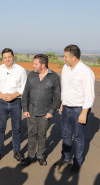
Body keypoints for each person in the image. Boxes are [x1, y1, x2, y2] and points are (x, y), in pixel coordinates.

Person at [54, 45, 95, 174]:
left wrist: (84, 112)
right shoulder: (66, 68)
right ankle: (65, 158)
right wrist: (62, 103)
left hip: (79, 110)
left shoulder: (85, 71)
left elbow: (89, 94)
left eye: (66, 56)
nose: (63, 58)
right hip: (66, 107)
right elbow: (65, 87)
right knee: (65, 135)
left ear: (74, 57)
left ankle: (77, 162)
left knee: (78, 137)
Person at [21, 54, 61, 166]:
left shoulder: (54, 77)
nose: (33, 65)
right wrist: (25, 108)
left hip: (45, 113)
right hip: (31, 111)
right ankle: (31, 156)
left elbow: (57, 97)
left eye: (35, 64)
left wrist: (52, 111)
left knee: (42, 135)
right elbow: (26, 93)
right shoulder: (31, 75)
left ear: (43, 65)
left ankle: (40, 156)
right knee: (31, 134)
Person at [0, 48, 27, 162]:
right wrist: (2, 96)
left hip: (16, 102)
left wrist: (13, 96)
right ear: (2, 58)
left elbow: (24, 87)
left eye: (9, 57)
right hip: (1, 102)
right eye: (5, 57)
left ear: (13, 57)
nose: (7, 59)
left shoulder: (21, 70)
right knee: (1, 128)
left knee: (16, 128)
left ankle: (16, 151)